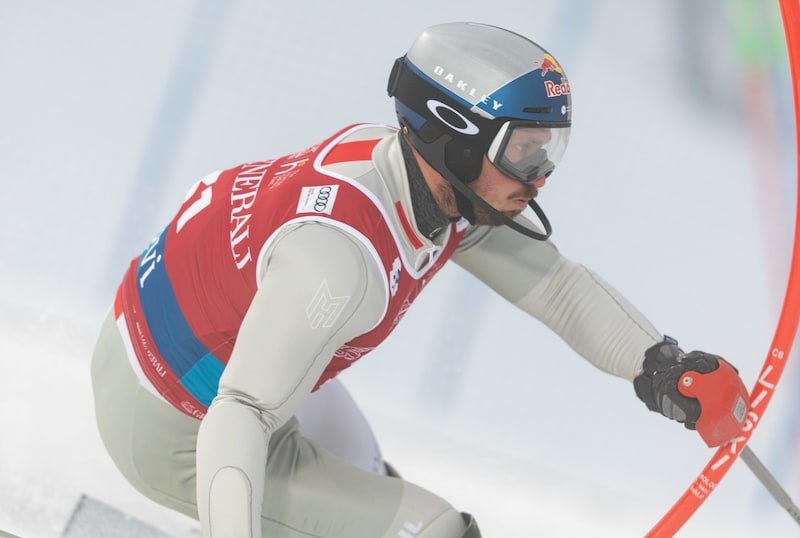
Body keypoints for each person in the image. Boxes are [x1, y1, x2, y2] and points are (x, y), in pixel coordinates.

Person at [90, 21, 750, 537]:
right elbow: (237, 420)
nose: (541, 175)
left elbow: (556, 287)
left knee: (374, 490)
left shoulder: (428, 186)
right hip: (172, 425)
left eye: (548, 150)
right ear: (457, 139)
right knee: (432, 532)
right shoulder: (341, 263)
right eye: (523, 150)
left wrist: (664, 367)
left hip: (189, 362)